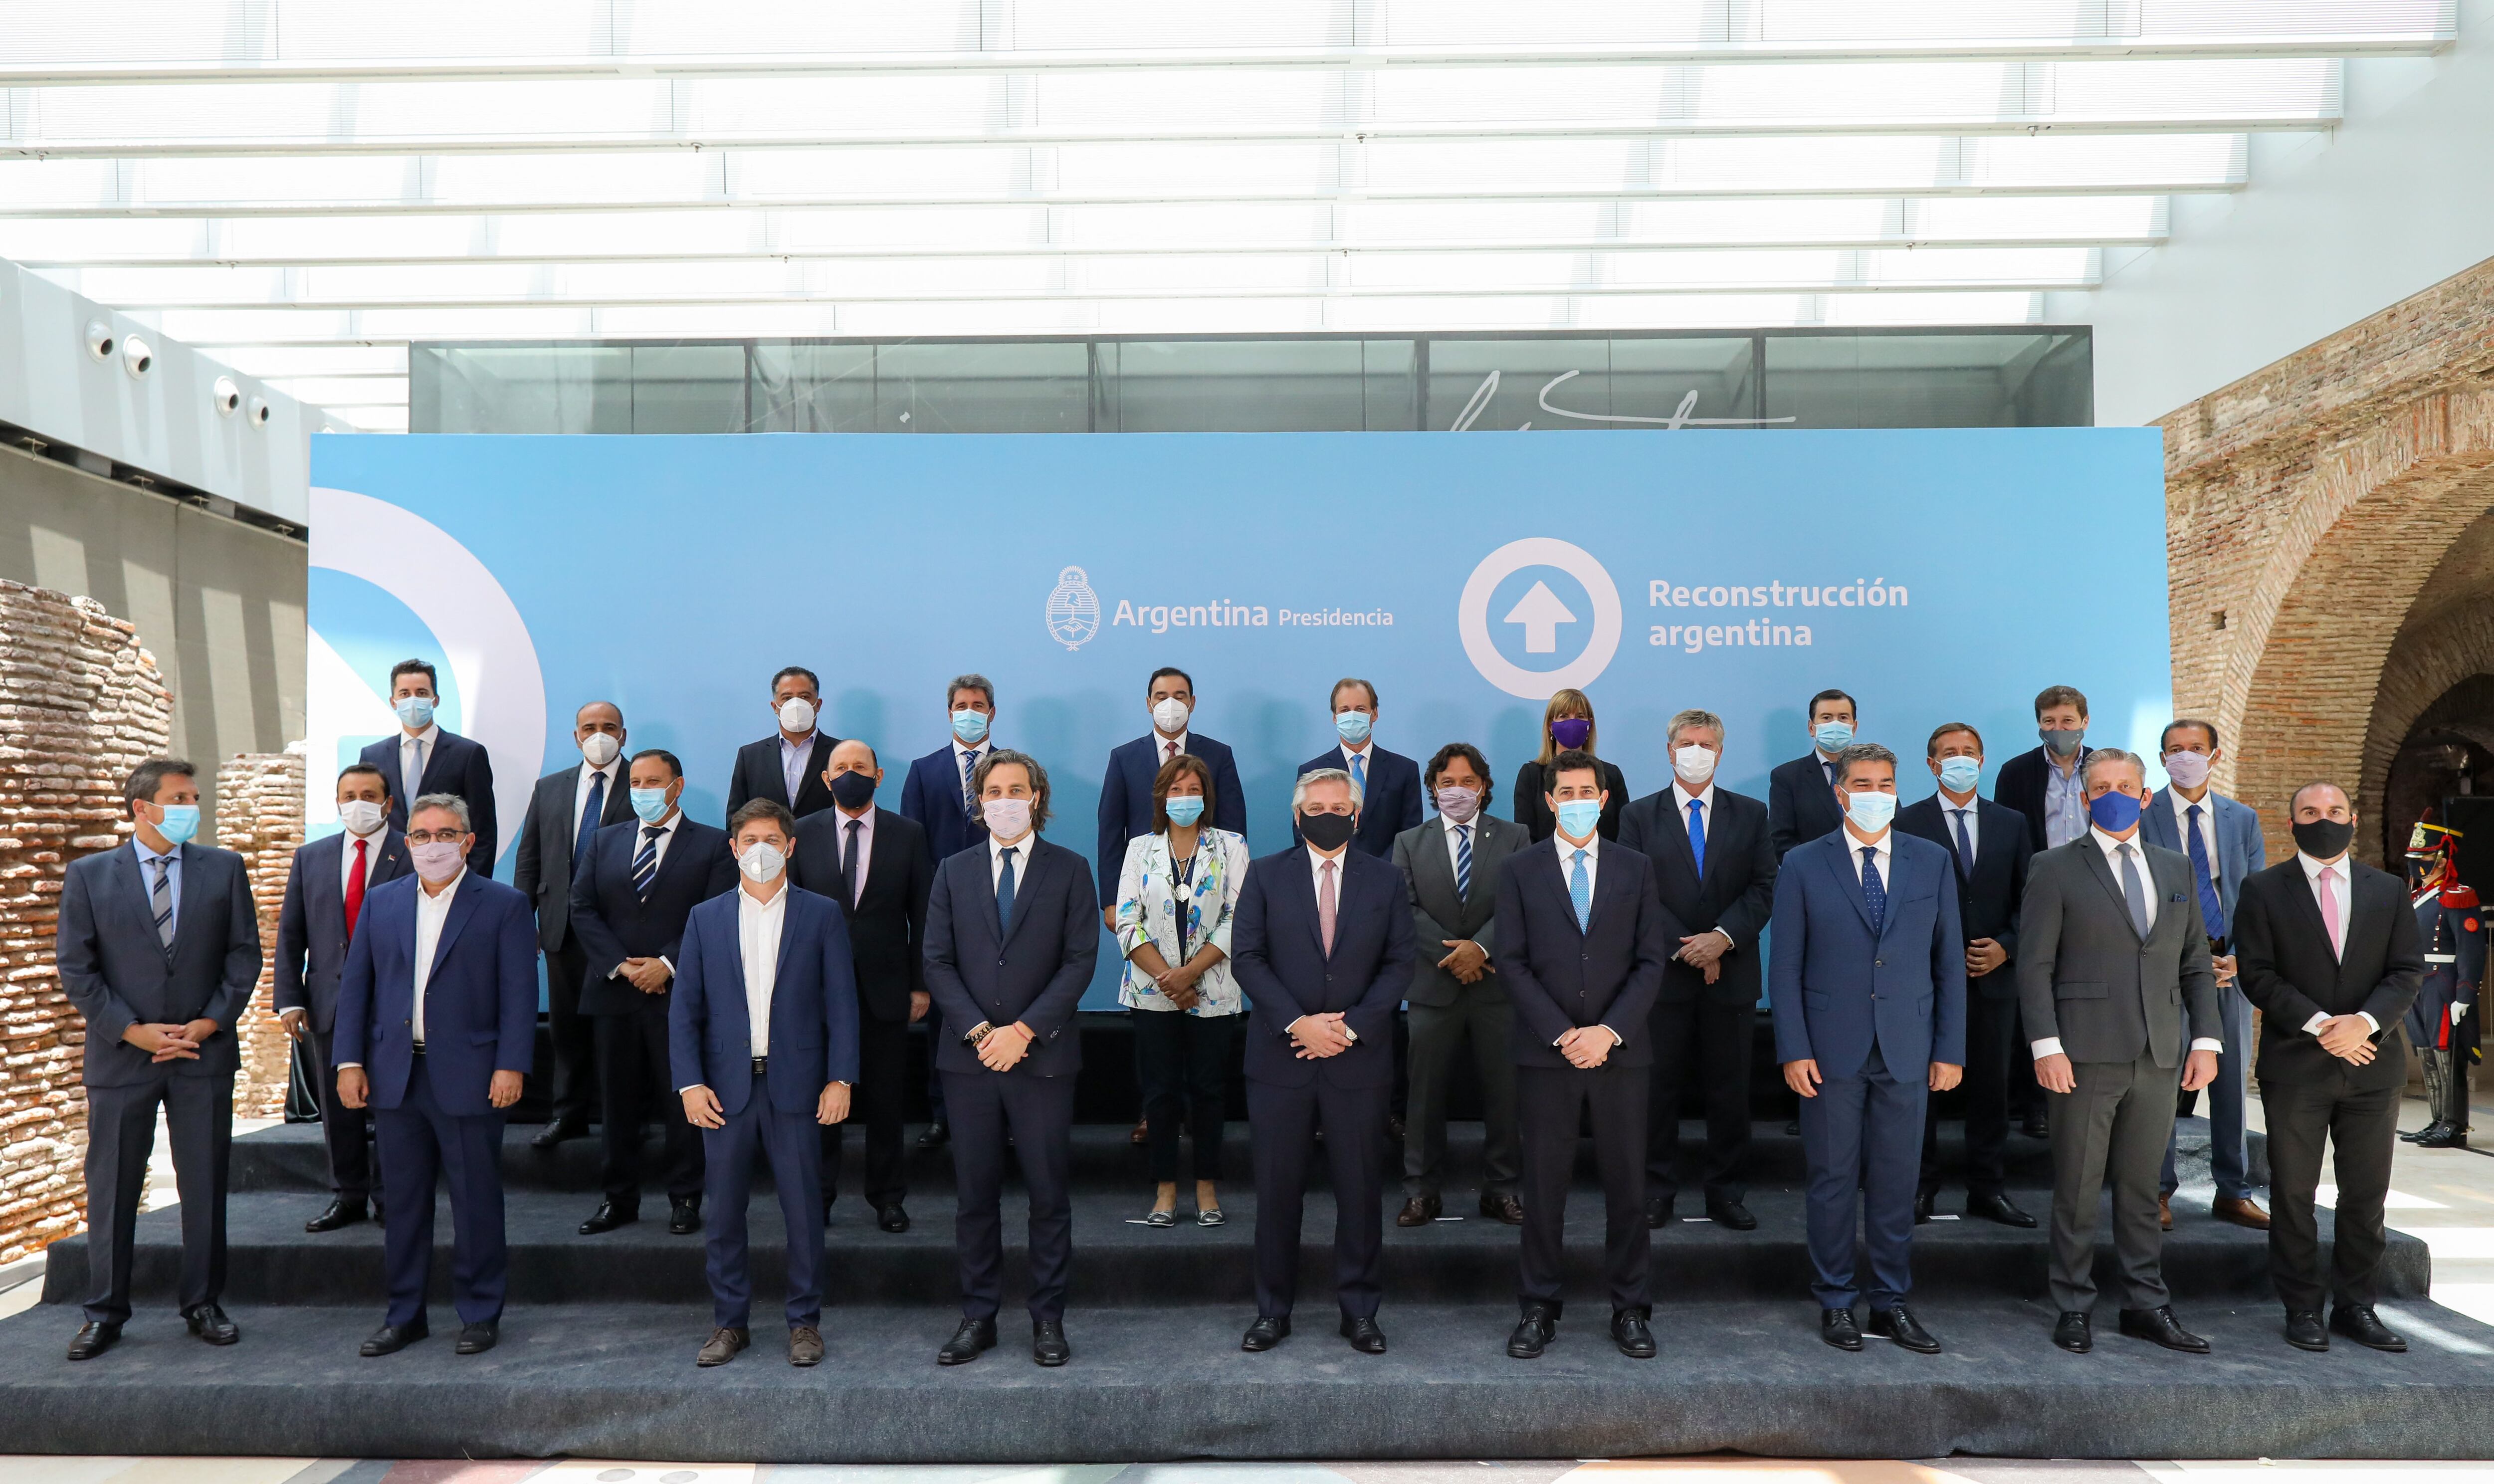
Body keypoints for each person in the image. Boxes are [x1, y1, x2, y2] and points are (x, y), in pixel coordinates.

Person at [56, 759, 262, 1360]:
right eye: (180, 797)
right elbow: (77, 967)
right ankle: (105, 1311)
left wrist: (209, 1020)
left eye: (194, 796)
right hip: (123, 1058)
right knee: (114, 1186)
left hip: (204, 1051)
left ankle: (203, 1302)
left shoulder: (224, 868)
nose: (191, 806)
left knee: (204, 1184)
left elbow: (243, 955)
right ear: (142, 807)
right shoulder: (90, 875)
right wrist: (132, 1030)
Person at [2017, 749, 2222, 1356]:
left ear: (2144, 795)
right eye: (2099, 786)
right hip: (2080, 1053)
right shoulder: (2052, 867)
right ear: (2085, 799)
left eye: (2124, 785)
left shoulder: (2175, 867)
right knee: (2077, 1188)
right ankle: (2073, 1304)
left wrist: (2206, 1040)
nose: (2112, 793)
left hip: (2159, 1053)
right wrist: (2045, 1045)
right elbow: (2033, 965)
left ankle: (2144, 1303)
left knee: (2141, 1188)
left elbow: (2193, 964)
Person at [1771, 743, 1966, 1355]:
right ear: (1839, 791)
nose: (1875, 791)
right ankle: (1835, 1300)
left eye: (1885, 780)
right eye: (1861, 781)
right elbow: (1784, 967)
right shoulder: (1802, 863)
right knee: (1831, 1179)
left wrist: (1949, 1047)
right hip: (1829, 1049)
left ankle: (1889, 1301)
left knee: (1895, 1179)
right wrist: (1793, 1048)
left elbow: (1949, 963)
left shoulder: (1929, 860)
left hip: (1908, 1046)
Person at [335, 793, 537, 1358]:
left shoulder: (503, 904)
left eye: (446, 833)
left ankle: (478, 1313)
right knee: (402, 1204)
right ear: (407, 843)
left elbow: (520, 994)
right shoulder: (382, 903)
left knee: (475, 1201)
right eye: (421, 835)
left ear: (468, 841)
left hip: (472, 1074)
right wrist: (349, 1061)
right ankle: (405, 1315)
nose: (433, 845)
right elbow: (358, 989)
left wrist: (511, 1064)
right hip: (396, 1075)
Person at [2232, 781, 2425, 1354]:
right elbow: (2257, 974)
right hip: (2296, 1064)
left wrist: (2362, 1023)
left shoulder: (2388, 888)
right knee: (2292, 1192)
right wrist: (2322, 1025)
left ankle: (2355, 1305)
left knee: (2365, 1195)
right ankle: (2301, 1308)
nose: (2324, 819)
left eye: (2334, 811)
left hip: (2372, 1062)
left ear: (2353, 819)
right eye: (2310, 811)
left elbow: (2406, 971)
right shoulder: (2262, 888)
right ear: (2289, 823)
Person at [1496, 748, 1674, 1361]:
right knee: (1544, 1188)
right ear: (1548, 801)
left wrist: (1608, 1031)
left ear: (1604, 798)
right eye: (1563, 793)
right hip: (1547, 1055)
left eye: (1585, 792)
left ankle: (1630, 1308)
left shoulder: (1636, 867)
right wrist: (1563, 1033)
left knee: (1627, 1187)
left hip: (1620, 1053)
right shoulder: (1519, 869)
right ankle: (1538, 1307)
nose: (1575, 801)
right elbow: (1512, 962)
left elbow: (1651, 959)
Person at [924, 750, 1099, 1368]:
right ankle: (978, 1316)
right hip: (969, 1061)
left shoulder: (1071, 869)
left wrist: (1022, 1031)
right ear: (978, 801)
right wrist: (979, 1030)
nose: (1003, 798)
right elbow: (937, 961)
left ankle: (1047, 1318)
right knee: (975, 1196)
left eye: (1015, 788)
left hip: (1041, 1058)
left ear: (1036, 797)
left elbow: (1080, 960)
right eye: (992, 789)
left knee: (1048, 1195)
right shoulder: (952, 869)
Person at [670, 799, 859, 1369]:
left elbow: (841, 1006)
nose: (760, 848)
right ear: (732, 847)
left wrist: (840, 1077)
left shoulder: (821, 913)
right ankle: (730, 1322)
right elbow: (685, 1012)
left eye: (771, 838)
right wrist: (689, 1084)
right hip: (725, 1090)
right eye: (749, 838)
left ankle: (805, 1322)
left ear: (790, 846)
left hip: (798, 1087)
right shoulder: (704, 917)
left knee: (803, 1211)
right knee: (724, 1212)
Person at [1232, 768, 1415, 1354]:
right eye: (1316, 806)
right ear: (1297, 814)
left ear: (1356, 816)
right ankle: (1271, 1310)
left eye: (1339, 806)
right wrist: (1299, 1023)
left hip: (1357, 1060)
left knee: (1360, 1191)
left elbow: (1399, 964)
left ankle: (1359, 1311)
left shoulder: (1385, 880)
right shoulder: (1263, 875)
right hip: (1281, 1058)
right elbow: (1248, 958)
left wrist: (1350, 1026)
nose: (1328, 814)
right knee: (1277, 1191)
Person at [1619, 708, 1778, 1231]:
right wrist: (1690, 948)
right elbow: (1632, 891)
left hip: (1729, 975)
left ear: (1720, 751)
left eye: (1705, 743)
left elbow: (1762, 887)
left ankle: (1725, 1192)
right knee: (1657, 1090)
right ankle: (1656, 1191)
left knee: (1729, 1091)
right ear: (1668, 750)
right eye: (1686, 742)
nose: (1695, 751)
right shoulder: (1637, 815)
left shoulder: (1751, 813)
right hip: (1662, 977)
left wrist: (1721, 940)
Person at [567, 749, 737, 1238]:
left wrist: (666, 963)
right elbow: (581, 907)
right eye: (635, 781)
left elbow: (717, 913)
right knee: (616, 1103)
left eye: (653, 781)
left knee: (681, 1099)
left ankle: (685, 1197)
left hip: (678, 996)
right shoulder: (603, 841)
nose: (641, 788)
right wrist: (621, 964)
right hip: (614, 993)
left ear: (677, 786)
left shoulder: (710, 844)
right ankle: (617, 1198)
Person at [1893, 724, 2034, 1228]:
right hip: (1925, 980)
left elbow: (2029, 898)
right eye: (1948, 753)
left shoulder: (2011, 822)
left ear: (1982, 759)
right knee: (1923, 1088)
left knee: (1991, 1090)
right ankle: (1920, 1186)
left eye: (1968, 752)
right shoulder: (1904, 820)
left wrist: (2006, 946)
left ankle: (1987, 1189)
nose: (1959, 760)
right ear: (1931, 764)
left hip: (1994, 978)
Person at [792, 738, 935, 1231]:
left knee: (885, 1102)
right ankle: (819, 1195)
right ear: (826, 778)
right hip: (815, 992)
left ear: (877, 776)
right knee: (819, 1099)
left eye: (860, 766)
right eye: (840, 767)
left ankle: (887, 1197)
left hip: (886, 989)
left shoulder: (908, 833)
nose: (850, 772)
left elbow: (923, 914)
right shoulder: (800, 832)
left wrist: (921, 985)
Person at [1393, 743, 1530, 1227]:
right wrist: (1456, 955)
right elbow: (1404, 910)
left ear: (1483, 787)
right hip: (1433, 987)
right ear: (1433, 788)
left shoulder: (1515, 836)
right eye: (1447, 782)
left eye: (1467, 781)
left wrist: (1481, 948)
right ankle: (1421, 1192)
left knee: (1504, 1095)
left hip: (1496, 989)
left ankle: (1501, 1190)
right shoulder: (1409, 841)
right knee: (1423, 1098)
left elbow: (1520, 903)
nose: (1457, 790)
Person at [2140, 719, 2269, 1230]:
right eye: (2174, 749)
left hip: (2227, 967)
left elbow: (2256, 895)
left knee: (2230, 1081)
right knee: (2163, 1081)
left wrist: (2240, 955)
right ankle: (2157, 1190)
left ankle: (2232, 1190)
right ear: (2161, 757)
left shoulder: (2241, 819)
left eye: (2194, 748)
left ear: (2214, 756)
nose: (2184, 756)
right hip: (2167, 969)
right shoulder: (2143, 815)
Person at [275, 763, 411, 1234]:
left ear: (388, 803)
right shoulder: (311, 857)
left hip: (394, 1004)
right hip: (329, 1002)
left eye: (369, 794)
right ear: (337, 802)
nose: (359, 802)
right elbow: (291, 933)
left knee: (393, 1105)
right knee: (340, 1108)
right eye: (349, 794)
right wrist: (290, 998)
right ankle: (347, 1194)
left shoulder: (411, 853)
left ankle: (392, 1197)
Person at [1115, 754, 1249, 1228]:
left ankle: (1207, 1186)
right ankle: (1166, 1189)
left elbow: (1240, 917)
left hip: (1212, 987)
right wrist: (1169, 979)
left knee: (1210, 1090)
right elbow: (1127, 921)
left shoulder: (1231, 846)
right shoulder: (1139, 849)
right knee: (1161, 1091)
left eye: (1192, 788)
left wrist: (1190, 973)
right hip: (1153, 992)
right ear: (1161, 797)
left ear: (1206, 796)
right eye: (1175, 790)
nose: (1184, 797)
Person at [511, 700, 635, 1149]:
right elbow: (529, 860)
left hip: (619, 933)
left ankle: (622, 1123)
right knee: (566, 1030)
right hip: (560, 928)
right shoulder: (550, 788)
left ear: (623, 735)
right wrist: (521, 925)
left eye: (608, 727)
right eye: (589, 727)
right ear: (576, 735)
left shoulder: (640, 784)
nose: (598, 734)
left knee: (617, 1033)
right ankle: (569, 1115)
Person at [897, 674, 997, 1150]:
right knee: (944, 1011)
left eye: (978, 704)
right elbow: (910, 845)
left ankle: (1004, 1113)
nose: (970, 711)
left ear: (992, 712)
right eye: (961, 704)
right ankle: (943, 1113)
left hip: (1002, 906)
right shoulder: (923, 769)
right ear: (950, 711)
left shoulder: (1013, 767)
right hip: (942, 906)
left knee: (1002, 1004)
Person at [1097, 666, 1248, 921]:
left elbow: (1234, 826)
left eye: (1179, 696)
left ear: (1192, 703)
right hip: (1145, 884)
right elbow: (1111, 831)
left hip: (1208, 885)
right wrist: (1112, 900)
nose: (1170, 704)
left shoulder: (1219, 755)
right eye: (1161, 696)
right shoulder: (1124, 758)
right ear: (1149, 704)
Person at [359, 658, 496, 873]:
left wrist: (475, 887)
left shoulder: (468, 754)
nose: (413, 700)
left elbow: (484, 830)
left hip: (448, 875)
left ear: (436, 700)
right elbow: (368, 823)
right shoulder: (373, 756)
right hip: (388, 876)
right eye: (405, 694)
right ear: (393, 702)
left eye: (422, 693)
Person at [2402, 818, 2484, 1148]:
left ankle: (2455, 1123)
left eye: (2425, 858)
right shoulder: (2418, 895)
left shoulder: (2458, 896)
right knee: (2426, 1050)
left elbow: (2472, 948)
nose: (2419, 865)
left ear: (2442, 859)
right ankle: (2438, 1118)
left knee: (2447, 1053)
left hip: (2444, 982)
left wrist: (2465, 993)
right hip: (2418, 983)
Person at [1295, 677, 1423, 857]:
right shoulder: (1312, 771)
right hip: (1330, 872)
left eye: (1360, 709)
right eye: (1345, 710)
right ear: (1335, 717)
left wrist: (1383, 871)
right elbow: (1303, 830)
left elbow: (1411, 832)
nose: (1353, 716)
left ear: (1375, 714)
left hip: (1388, 875)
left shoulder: (1404, 770)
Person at [724, 665, 841, 821]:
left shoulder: (841, 753)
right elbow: (736, 820)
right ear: (775, 707)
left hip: (824, 844)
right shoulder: (751, 757)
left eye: (805, 697)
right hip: (768, 845)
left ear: (818, 705)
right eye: (787, 698)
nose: (796, 704)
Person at [1511, 689, 1628, 843]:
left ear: (1589, 725)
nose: (1572, 723)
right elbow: (1525, 837)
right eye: (1564, 716)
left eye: (1580, 717)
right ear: (1550, 726)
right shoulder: (1532, 775)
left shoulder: (1611, 774)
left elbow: (1624, 835)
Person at [1994, 684, 2093, 858]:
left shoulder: (2104, 769)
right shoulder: (2014, 773)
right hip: (2038, 877)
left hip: (2096, 876)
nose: (2058, 728)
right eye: (2049, 721)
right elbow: (2004, 836)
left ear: (2085, 722)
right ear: (2039, 723)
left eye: (2067, 721)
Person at [1766, 689, 1857, 861]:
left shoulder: (1875, 773)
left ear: (1854, 727)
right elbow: (1781, 840)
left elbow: (1893, 825)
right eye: (1827, 718)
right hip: (1814, 878)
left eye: (1843, 718)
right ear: (1811, 728)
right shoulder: (1787, 777)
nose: (1835, 724)